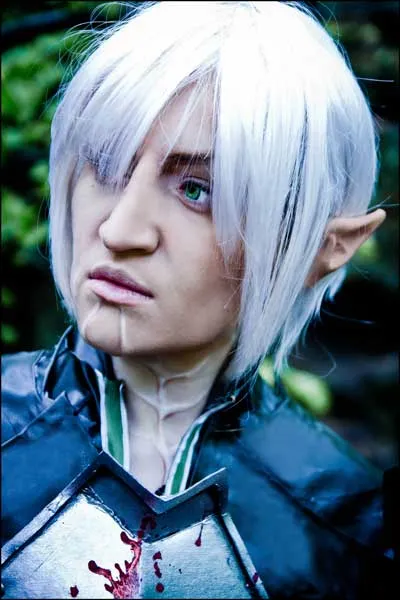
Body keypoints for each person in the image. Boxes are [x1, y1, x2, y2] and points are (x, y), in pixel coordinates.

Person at [1, 1, 396, 598]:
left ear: (323, 246)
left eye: (196, 190)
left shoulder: (351, 531)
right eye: (106, 163)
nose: (121, 230)